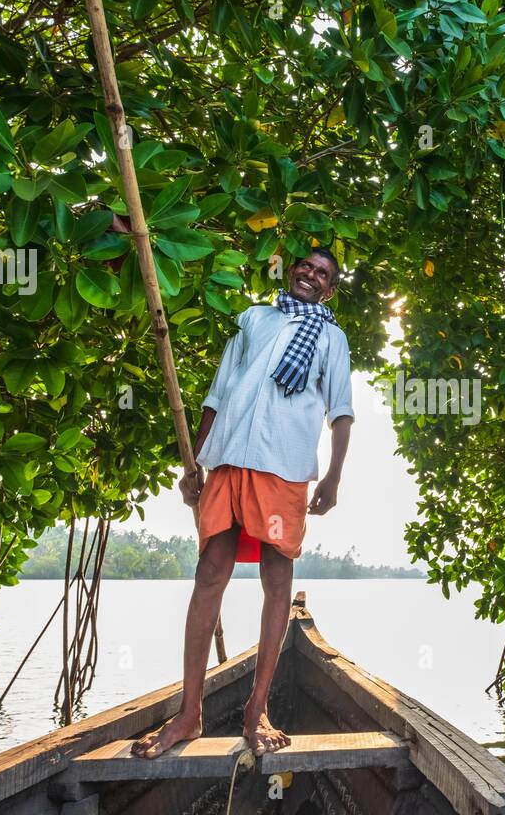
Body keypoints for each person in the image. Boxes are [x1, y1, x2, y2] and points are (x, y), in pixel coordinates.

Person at [131, 247, 354, 757]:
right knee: (210, 572)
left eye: (323, 273)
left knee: (277, 582)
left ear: (329, 289)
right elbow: (218, 392)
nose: (311, 275)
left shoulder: (332, 339)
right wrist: (196, 464)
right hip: (230, 458)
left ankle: (257, 711)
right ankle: (190, 714)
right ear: (291, 270)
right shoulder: (252, 319)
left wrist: (334, 479)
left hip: (284, 466)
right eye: (306, 266)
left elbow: (340, 411)